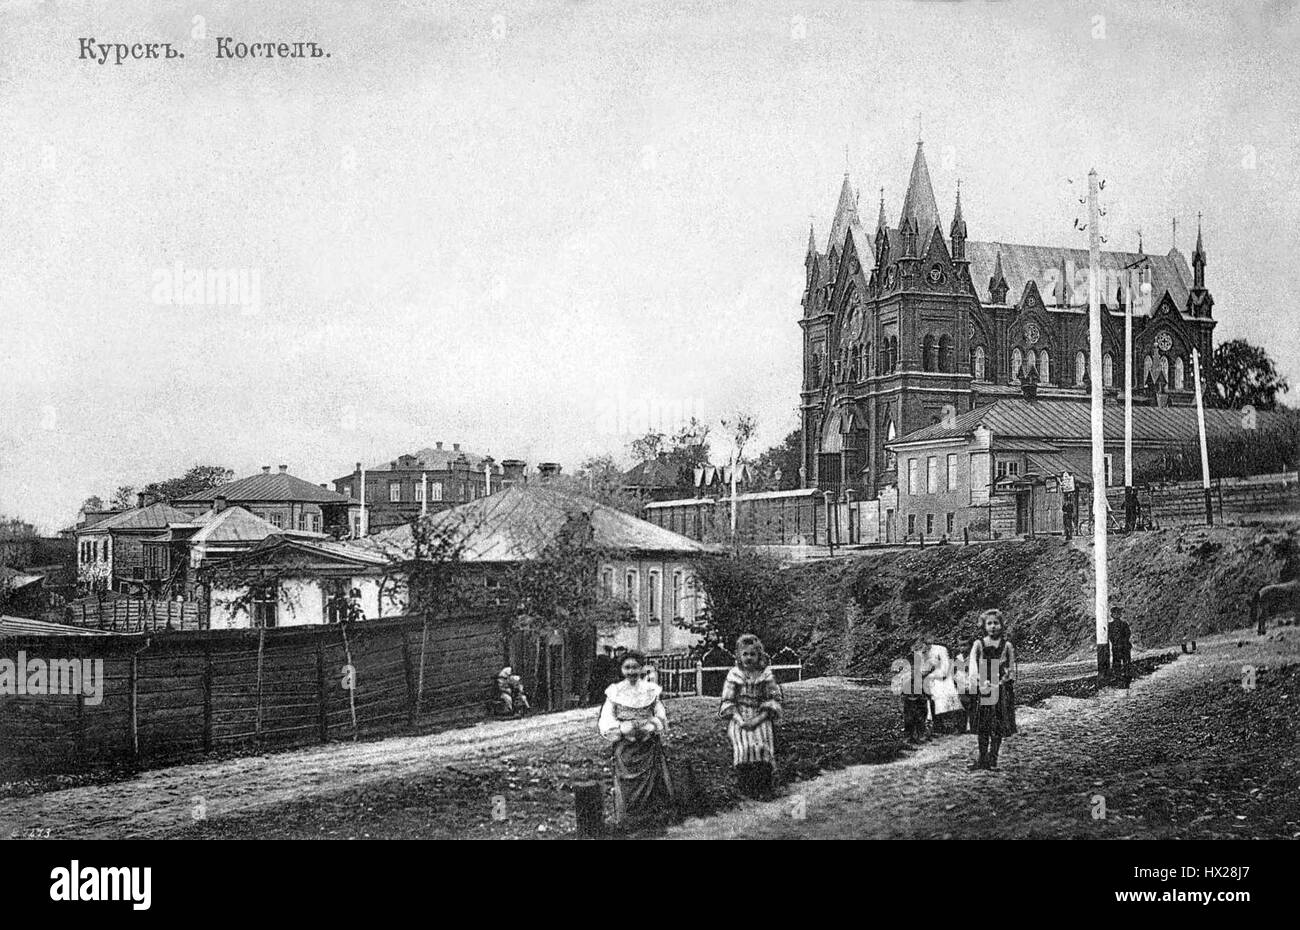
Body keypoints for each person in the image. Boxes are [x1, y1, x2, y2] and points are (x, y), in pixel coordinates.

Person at [598, 649, 675, 827]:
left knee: (652, 783)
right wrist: (622, 728)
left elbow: (660, 713)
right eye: (627, 667)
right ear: (621, 669)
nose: (631, 671)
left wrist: (652, 725)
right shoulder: (615, 692)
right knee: (626, 784)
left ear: (641, 668)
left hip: (648, 745)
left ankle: (650, 821)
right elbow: (607, 718)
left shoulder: (650, 690)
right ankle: (628, 821)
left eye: (635, 667)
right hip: (625, 747)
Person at [718, 634, 783, 799]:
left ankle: (765, 787)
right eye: (745, 654)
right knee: (744, 747)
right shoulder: (734, 674)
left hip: (760, 714)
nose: (748, 658)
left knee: (762, 746)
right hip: (740, 715)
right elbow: (728, 701)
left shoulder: (765, 674)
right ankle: (747, 788)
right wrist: (741, 721)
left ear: (759, 655)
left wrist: (758, 719)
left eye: (752, 654)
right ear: (739, 656)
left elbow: (773, 698)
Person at [968, 609, 1017, 770]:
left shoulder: (1007, 645)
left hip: (1000, 689)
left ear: (1002, 625)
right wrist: (979, 681)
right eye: (989, 623)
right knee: (983, 725)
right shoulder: (979, 644)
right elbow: (973, 666)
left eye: (996, 623)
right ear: (984, 625)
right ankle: (982, 758)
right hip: (984, 688)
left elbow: (1010, 668)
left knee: (997, 726)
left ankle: (993, 758)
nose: (993, 626)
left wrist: (1003, 681)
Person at [898, 637, 934, 744]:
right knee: (908, 714)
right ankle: (909, 734)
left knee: (920, 713)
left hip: (921, 690)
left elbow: (927, 670)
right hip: (909, 690)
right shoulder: (908, 660)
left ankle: (920, 733)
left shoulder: (927, 659)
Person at [923, 640, 964, 733]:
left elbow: (945, 668)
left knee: (944, 693)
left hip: (943, 677)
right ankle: (936, 724)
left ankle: (957, 725)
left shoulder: (941, 649)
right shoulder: (921, 652)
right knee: (928, 695)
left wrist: (932, 675)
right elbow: (922, 668)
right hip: (929, 678)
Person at [1110, 609, 1132, 684]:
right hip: (1119, 646)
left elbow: (1128, 634)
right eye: (1115, 613)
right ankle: (1120, 676)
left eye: (1117, 613)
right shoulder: (1111, 625)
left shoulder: (1123, 624)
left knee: (1123, 661)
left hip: (1122, 646)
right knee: (1118, 661)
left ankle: (1123, 676)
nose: (1116, 615)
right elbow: (1110, 636)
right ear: (1112, 615)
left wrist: (1119, 642)